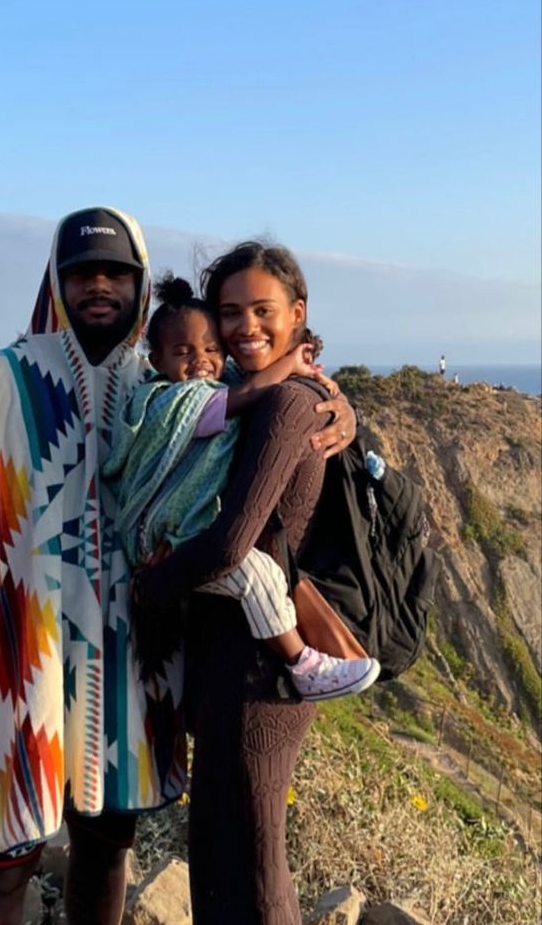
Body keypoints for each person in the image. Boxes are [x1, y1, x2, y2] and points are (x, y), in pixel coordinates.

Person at [0, 212, 357, 925]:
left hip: (128, 688)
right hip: (12, 681)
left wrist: (338, 402)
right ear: (55, 280)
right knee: (0, 876)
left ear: (139, 284)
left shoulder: (160, 378)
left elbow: (264, 411)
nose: (100, 286)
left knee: (104, 860)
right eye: (81, 273)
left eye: (118, 274)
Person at [136, 241, 356, 925]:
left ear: (297, 314)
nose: (244, 326)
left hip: (258, 672)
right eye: (229, 312)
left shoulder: (286, 403)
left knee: (254, 863)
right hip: (227, 657)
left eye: (263, 310)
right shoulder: (234, 394)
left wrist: (146, 587)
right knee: (220, 850)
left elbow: (233, 543)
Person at [105, 274, 379, 701]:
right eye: (183, 351)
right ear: (155, 360)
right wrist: (290, 363)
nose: (201, 361)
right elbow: (245, 394)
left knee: (252, 578)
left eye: (212, 349)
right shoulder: (167, 401)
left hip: (186, 539)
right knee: (257, 574)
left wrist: (340, 403)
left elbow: (248, 380)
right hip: (161, 540)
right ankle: (302, 663)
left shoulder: (217, 381)